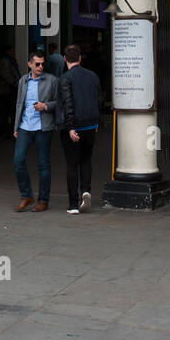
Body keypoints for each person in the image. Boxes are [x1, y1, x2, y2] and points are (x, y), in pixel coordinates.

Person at [13, 50, 59, 212]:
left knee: (43, 164)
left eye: (42, 64)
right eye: (37, 64)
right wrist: (16, 127)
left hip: (43, 127)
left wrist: (45, 106)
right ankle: (26, 195)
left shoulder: (52, 80)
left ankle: (43, 200)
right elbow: (19, 104)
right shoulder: (23, 81)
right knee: (18, 160)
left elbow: (59, 102)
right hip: (25, 127)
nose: (40, 67)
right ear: (29, 64)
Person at [58, 44, 101, 215]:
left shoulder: (65, 78)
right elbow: (97, 99)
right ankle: (86, 191)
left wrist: (70, 128)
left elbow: (68, 104)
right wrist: (96, 122)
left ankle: (73, 204)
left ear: (64, 59)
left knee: (71, 164)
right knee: (86, 160)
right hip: (91, 126)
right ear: (80, 58)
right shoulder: (92, 76)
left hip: (74, 127)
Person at [0, 45, 20, 136]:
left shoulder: (11, 60)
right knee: (7, 111)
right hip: (7, 89)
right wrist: (14, 82)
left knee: (11, 110)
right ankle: (6, 131)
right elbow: (5, 74)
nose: (14, 52)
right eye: (12, 50)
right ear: (8, 51)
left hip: (11, 89)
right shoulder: (5, 61)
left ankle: (9, 130)